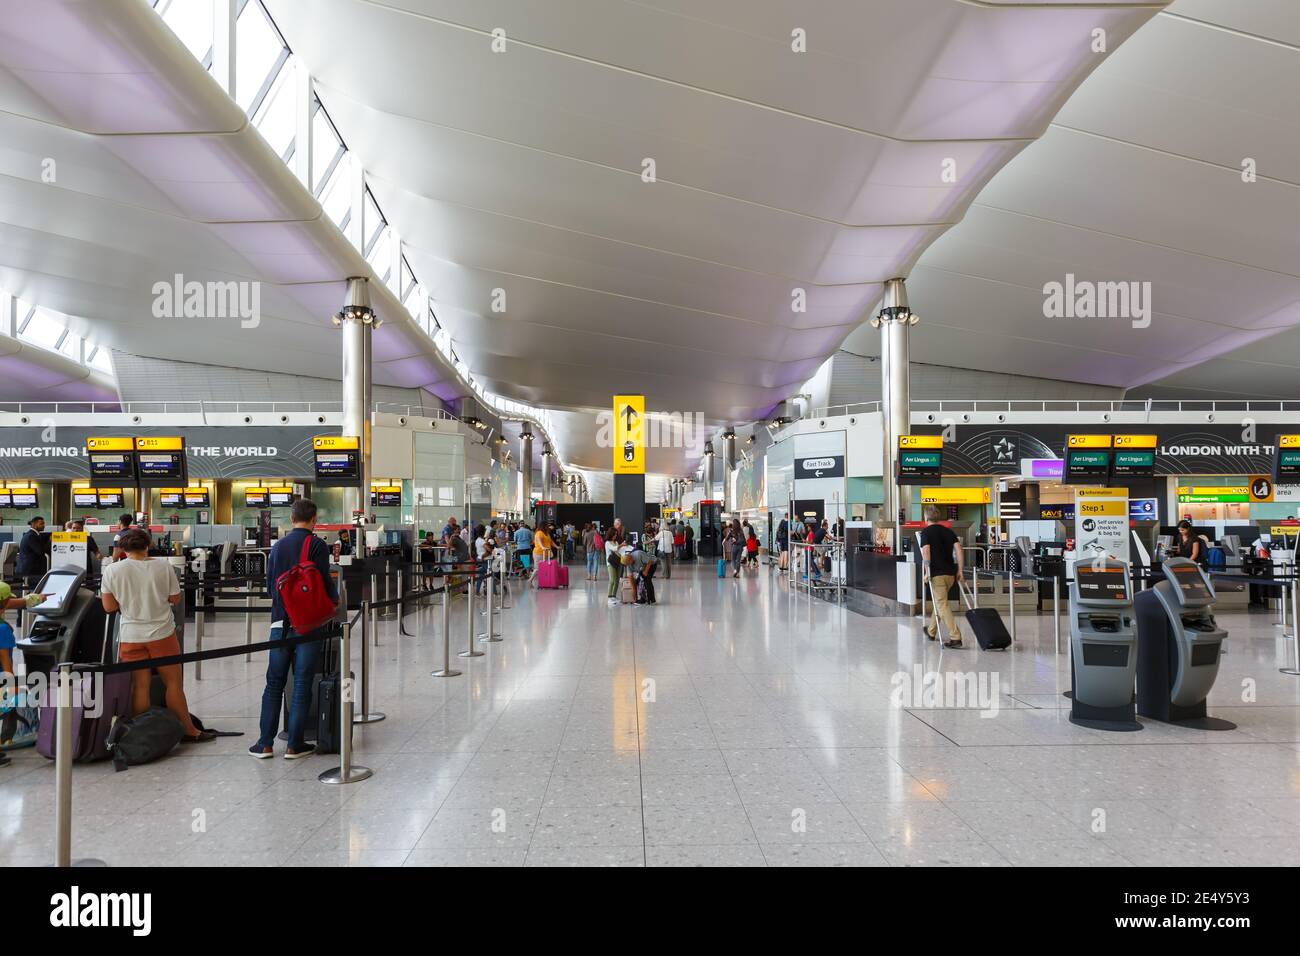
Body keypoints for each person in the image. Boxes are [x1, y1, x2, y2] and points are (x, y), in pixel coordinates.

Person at [102, 528, 214, 743]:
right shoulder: (163, 566)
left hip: (131, 636)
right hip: (162, 634)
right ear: (147, 545)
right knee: (173, 684)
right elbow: (175, 599)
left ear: (123, 549)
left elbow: (108, 607)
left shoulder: (112, 570)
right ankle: (189, 730)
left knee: (140, 686)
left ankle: (141, 733)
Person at [250, 498, 338, 758]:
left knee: (273, 683)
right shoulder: (317, 545)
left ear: (291, 519)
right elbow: (322, 581)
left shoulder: (277, 546)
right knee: (301, 682)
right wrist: (334, 600)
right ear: (314, 519)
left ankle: (265, 743)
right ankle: (294, 744)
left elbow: (270, 587)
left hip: (279, 621)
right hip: (307, 624)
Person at [919, 506, 964, 649]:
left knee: (942, 605)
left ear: (926, 518)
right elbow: (958, 549)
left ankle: (955, 637)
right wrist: (960, 570)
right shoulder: (948, 531)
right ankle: (931, 631)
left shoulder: (926, 532)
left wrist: (927, 572)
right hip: (950, 574)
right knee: (940, 603)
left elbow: (926, 551)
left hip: (936, 575)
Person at [16, 516, 48, 590]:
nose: (44, 525)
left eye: (44, 523)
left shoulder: (33, 534)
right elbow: (40, 551)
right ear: (34, 524)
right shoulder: (31, 536)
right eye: (41, 524)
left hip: (29, 570)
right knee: (33, 590)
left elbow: (43, 537)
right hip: (30, 571)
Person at [605, 529, 624, 606]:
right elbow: (614, 549)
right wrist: (621, 545)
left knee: (617, 580)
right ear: (610, 534)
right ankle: (609, 597)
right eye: (614, 534)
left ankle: (613, 596)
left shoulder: (616, 542)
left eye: (616, 534)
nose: (615, 536)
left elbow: (618, 552)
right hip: (610, 563)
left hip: (618, 562)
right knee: (612, 580)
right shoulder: (607, 543)